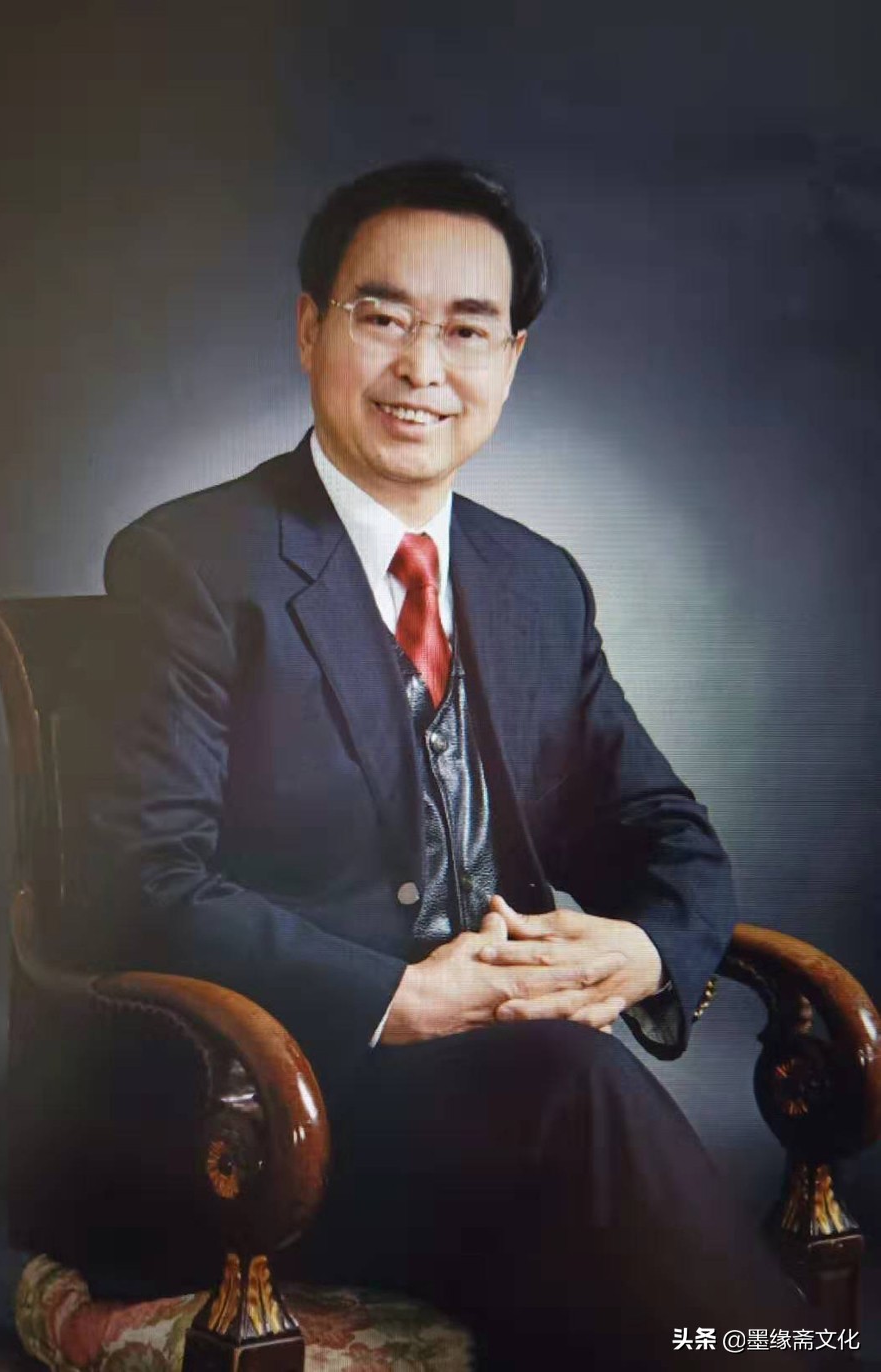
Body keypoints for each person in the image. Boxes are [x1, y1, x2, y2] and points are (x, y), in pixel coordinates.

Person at [77, 160, 813, 1368]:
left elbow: (663, 830)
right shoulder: (190, 565)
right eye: (384, 318)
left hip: (493, 1115)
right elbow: (140, 882)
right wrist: (404, 996)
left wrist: (641, 951)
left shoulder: (535, 582)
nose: (423, 366)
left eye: (468, 331)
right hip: (254, 1121)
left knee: (585, 1218)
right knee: (579, 1103)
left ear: (510, 362)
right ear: (311, 328)